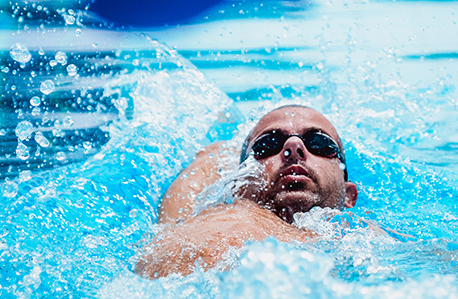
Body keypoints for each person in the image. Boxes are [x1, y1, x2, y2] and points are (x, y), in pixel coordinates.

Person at [135, 105, 358, 278]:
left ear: (349, 195)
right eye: (267, 144)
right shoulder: (198, 225)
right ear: (239, 185)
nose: (293, 147)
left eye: (319, 142)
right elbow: (192, 181)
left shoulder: (364, 240)